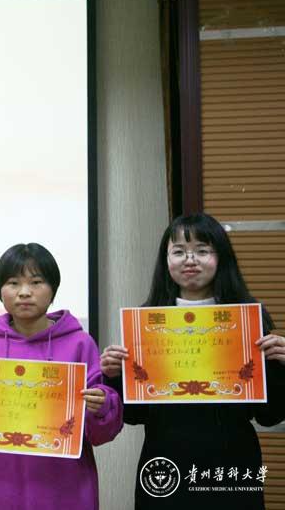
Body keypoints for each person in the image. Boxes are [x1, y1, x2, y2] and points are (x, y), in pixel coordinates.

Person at [100, 212, 285, 509]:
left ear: (221, 257)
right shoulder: (146, 322)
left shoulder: (249, 319)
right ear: (166, 260)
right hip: (166, 461)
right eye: (179, 252)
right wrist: (114, 375)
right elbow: (134, 415)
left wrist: (281, 367)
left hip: (232, 460)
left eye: (202, 250)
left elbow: (269, 415)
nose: (190, 260)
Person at [0, 242, 123, 509]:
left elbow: (100, 433)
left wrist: (101, 405)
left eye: (36, 282)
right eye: (13, 283)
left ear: (53, 289)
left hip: (66, 487)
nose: (24, 292)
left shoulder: (80, 343)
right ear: (0, 291)